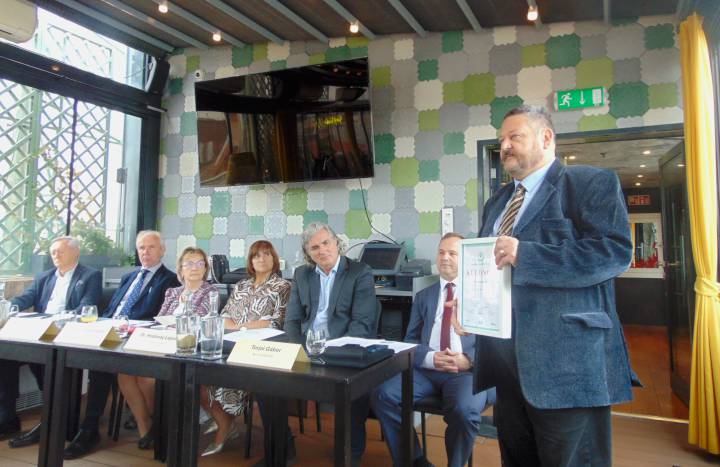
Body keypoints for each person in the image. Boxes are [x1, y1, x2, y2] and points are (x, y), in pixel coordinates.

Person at [459, 105, 634, 466]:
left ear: (546, 138)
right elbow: (493, 268)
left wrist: (527, 255)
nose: (504, 146)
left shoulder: (589, 183)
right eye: (501, 139)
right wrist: (471, 307)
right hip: (507, 368)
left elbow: (613, 253)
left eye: (515, 136)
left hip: (567, 366)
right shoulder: (497, 202)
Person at [255, 222, 378, 467]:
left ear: (337, 243)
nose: (322, 250)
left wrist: (333, 353)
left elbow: (362, 325)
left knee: (355, 384)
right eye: (314, 247)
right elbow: (292, 321)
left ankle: (350, 453)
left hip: (342, 351)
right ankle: (281, 448)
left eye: (326, 243)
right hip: (306, 348)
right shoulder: (302, 274)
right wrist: (299, 351)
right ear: (308, 253)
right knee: (263, 380)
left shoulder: (359, 272)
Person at [371, 233, 496, 467]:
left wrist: (468, 360)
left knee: (465, 411)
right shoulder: (423, 296)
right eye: (441, 252)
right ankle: (414, 460)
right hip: (427, 370)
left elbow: (496, 345)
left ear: (466, 259)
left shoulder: (483, 294)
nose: (445, 257)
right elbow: (410, 341)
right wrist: (430, 357)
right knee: (382, 395)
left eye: (452, 253)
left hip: (466, 372)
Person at [64, 230, 180, 459]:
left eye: (151, 247)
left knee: (101, 364)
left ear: (162, 250)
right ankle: (69, 423)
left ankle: (90, 429)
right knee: (75, 355)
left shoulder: (171, 280)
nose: (145, 252)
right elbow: (112, 309)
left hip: (139, 337)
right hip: (110, 329)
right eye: (141, 248)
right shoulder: (129, 277)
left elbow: (160, 317)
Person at [0, 237, 101, 447]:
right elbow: (25, 298)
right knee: (5, 356)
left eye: (60, 251)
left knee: (47, 363)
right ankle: (8, 417)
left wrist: (59, 320)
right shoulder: (44, 276)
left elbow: (87, 306)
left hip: (66, 334)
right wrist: (8, 307)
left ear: (75, 253)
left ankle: (54, 419)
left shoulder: (90, 276)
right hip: (39, 333)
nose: (55, 255)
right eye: (53, 252)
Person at [117, 246, 214, 450]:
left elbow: (198, 320)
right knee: (124, 374)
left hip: (188, 349)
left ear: (205, 268)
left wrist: (177, 317)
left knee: (147, 379)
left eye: (200, 263)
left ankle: (160, 421)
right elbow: (160, 319)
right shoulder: (173, 292)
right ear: (181, 268)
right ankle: (145, 426)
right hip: (162, 343)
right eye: (189, 263)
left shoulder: (209, 292)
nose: (195, 267)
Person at [200, 240, 290, 457]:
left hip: (259, 347)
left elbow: (275, 322)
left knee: (228, 372)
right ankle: (224, 420)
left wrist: (240, 327)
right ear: (250, 261)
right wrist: (238, 327)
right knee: (198, 373)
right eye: (256, 255)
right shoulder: (241, 285)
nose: (262, 259)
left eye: (267, 254)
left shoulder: (283, 286)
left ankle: (224, 428)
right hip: (230, 342)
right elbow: (224, 316)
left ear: (274, 259)